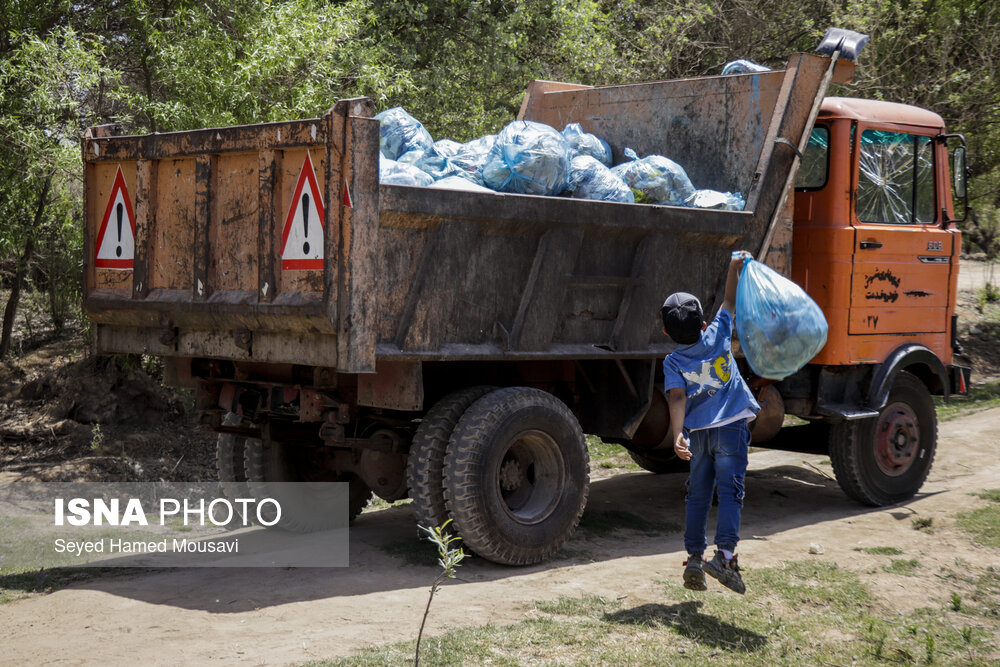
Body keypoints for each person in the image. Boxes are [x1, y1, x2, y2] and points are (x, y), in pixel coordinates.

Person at [661, 250, 759, 594]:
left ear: (665, 331)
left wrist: (677, 436)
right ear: (703, 323)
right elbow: (730, 299)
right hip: (731, 428)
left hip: (698, 435)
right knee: (731, 491)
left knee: (699, 495)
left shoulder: (672, 361)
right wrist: (735, 266)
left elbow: (677, 398)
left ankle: (693, 559)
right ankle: (727, 558)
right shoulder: (718, 333)